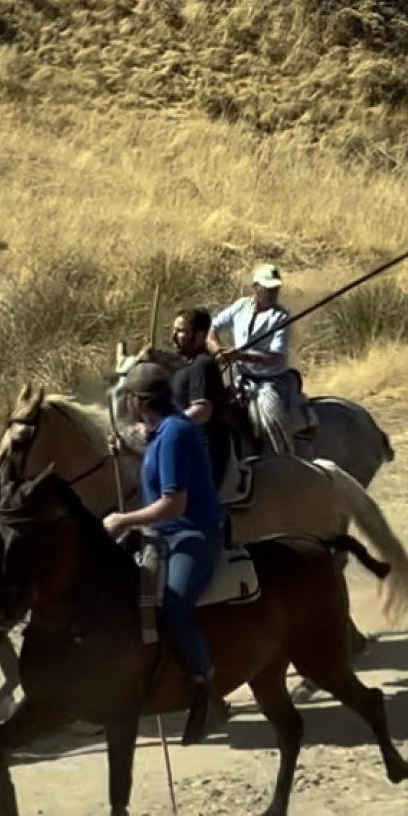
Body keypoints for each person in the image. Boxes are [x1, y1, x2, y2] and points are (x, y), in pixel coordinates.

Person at [102, 361, 231, 746]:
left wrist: (123, 520)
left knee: (175, 608)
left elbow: (174, 503)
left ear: (140, 401)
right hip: (159, 532)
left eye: (130, 398)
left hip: (191, 535)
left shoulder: (176, 434)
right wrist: (124, 448)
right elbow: (149, 448)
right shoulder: (164, 428)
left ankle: (211, 697)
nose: (127, 404)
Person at [210, 263, 309, 457]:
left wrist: (240, 355)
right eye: (268, 288)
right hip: (237, 375)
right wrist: (217, 350)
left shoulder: (280, 317)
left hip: (268, 381)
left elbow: (275, 357)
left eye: (275, 289)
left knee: (271, 419)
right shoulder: (241, 306)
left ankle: (285, 459)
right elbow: (213, 327)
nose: (272, 293)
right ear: (256, 287)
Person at [168, 308, 231, 493]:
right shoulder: (182, 364)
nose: (174, 336)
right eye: (174, 330)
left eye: (182, 331)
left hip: (203, 451)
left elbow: (201, 411)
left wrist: (164, 428)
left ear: (200, 336)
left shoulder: (201, 365)